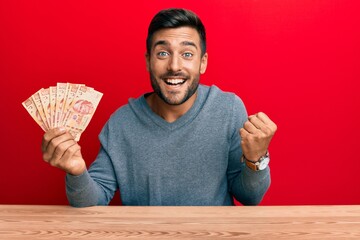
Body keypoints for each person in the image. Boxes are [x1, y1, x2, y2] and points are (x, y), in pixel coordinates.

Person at [42, 8, 277, 207]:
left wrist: (257, 158)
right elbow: (94, 199)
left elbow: (250, 197)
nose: (174, 66)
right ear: (148, 61)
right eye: (163, 53)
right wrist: (76, 171)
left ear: (202, 63)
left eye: (187, 54)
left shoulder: (229, 109)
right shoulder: (121, 122)